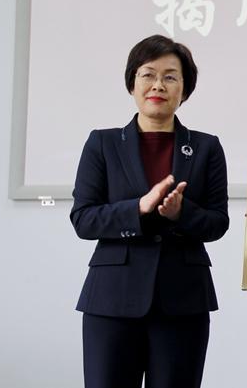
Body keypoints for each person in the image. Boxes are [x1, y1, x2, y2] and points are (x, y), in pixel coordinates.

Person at [70, 34, 229, 388]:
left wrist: (181, 213)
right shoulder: (102, 143)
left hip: (183, 301)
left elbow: (218, 222)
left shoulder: (206, 147)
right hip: (111, 301)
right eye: (148, 75)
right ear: (132, 83)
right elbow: (84, 218)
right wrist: (138, 209)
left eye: (170, 77)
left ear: (184, 89)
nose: (158, 85)